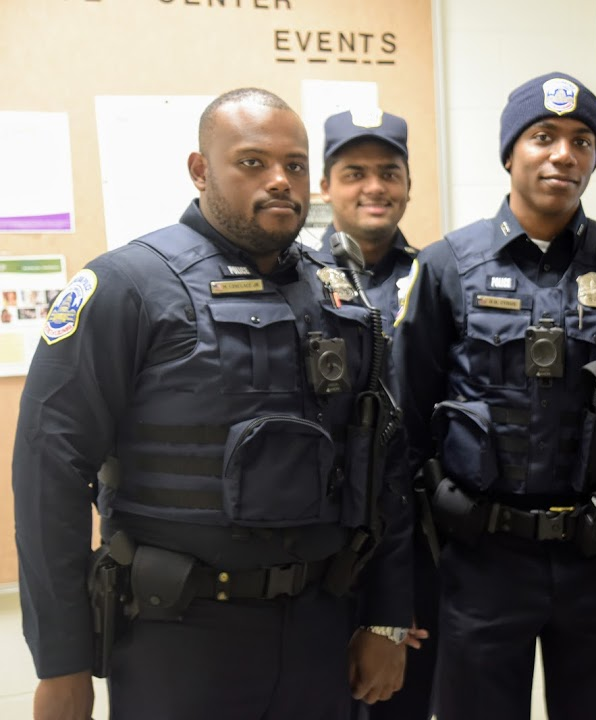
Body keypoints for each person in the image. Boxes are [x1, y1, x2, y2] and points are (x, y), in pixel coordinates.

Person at [13, 87, 413, 720]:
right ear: (201, 169)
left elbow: (382, 461)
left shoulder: (338, 298)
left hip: (320, 628)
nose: (280, 180)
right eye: (252, 162)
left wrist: (388, 620)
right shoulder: (129, 286)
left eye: (296, 165)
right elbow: (48, 473)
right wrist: (62, 662)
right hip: (178, 636)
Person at [392, 71, 596, 720]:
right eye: (543, 136)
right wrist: (405, 575)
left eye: (582, 141)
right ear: (509, 152)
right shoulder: (447, 267)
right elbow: (405, 426)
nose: (564, 154)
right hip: (481, 558)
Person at [318, 107, 437, 720]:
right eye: (354, 172)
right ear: (326, 185)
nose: (374, 187)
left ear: (408, 183)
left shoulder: (435, 279)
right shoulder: (299, 282)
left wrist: (404, 595)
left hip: (414, 548)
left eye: (389, 172)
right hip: (322, 551)